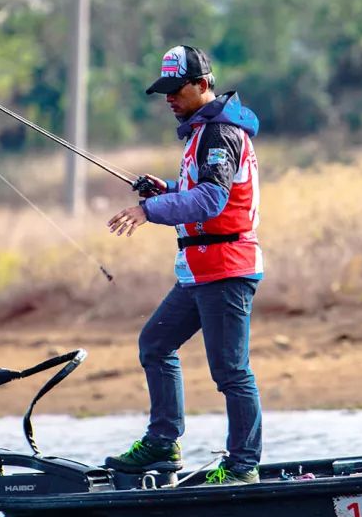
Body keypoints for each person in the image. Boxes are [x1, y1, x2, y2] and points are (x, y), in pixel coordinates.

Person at [104, 45, 264, 485]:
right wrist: (166, 189)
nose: (169, 99)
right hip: (199, 270)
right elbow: (199, 188)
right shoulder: (200, 132)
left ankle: (242, 467)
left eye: (177, 90)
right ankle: (162, 443)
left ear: (202, 85)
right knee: (155, 344)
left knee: (231, 370)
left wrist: (147, 211)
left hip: (227, 267)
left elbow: (212, 200)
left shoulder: (221, 134)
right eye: (165, 92)